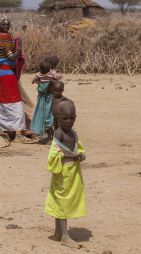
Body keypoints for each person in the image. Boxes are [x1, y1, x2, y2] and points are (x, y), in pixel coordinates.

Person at [45, 101, 86, 249]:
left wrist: (80, 155)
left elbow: (76, 149)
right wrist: (73, 158)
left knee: (62, 200)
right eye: (65, 118)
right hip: (62, 173)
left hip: (72, 172)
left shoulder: (73, 133)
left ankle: (57, 233)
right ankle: (65, 236)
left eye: (71, 118)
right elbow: (54, 156)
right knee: (63, 201)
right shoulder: (59, 133)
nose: (69, 122)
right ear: (57, 118)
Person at [0, 15, 27, 142]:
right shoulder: (2, 38)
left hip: (3, 72)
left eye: (8, 24)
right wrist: (19, 47)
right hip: (6, 74)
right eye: (3, 24)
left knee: (4, 102)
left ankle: (7, 130)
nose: (6, 26)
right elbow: (12, 58)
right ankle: (17, 133)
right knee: (15, 101)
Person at [30, 61, 63, 140]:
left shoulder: (39, 74)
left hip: (41, 97)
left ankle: (46, 132)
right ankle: (49, 133)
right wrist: (60, 76)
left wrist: (36, 82)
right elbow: (58, 77)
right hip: (49, 97)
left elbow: (33, 80)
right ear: (50, 69)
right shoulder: (52, 73)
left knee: (42, 112)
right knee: (49, 113)